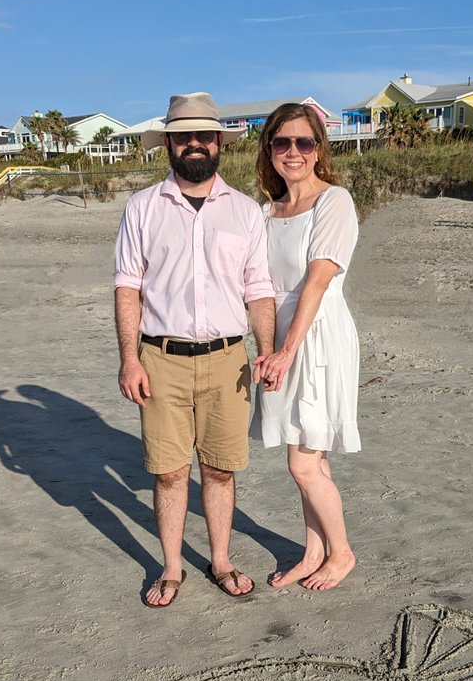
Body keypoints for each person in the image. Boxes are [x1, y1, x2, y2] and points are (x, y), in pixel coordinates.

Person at [114, 92, 276, 606]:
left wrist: (267, 350)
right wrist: (129, 359)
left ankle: (221, 560)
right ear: (169, 143)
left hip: (229, 360)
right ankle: (171, 566)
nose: (195, 144)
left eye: (204, 135)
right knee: (169, 472)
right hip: (160, 358)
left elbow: (258, 288)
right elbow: (128, 287)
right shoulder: (142, 207)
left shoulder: (246, 211)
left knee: (220, 468)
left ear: (219, 143)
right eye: (184, 136)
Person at [251, 103, 361, 591]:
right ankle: (313, 552)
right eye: (282, 142)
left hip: (317, 337)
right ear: (269, 149)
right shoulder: (266, 212)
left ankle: (342, 553)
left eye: (303, 142)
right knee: (309, 457)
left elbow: (317, 281)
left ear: (318, 149)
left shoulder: (333, 201)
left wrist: (287, 351)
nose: (292, 152)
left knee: (302, 461)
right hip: (282, 337)